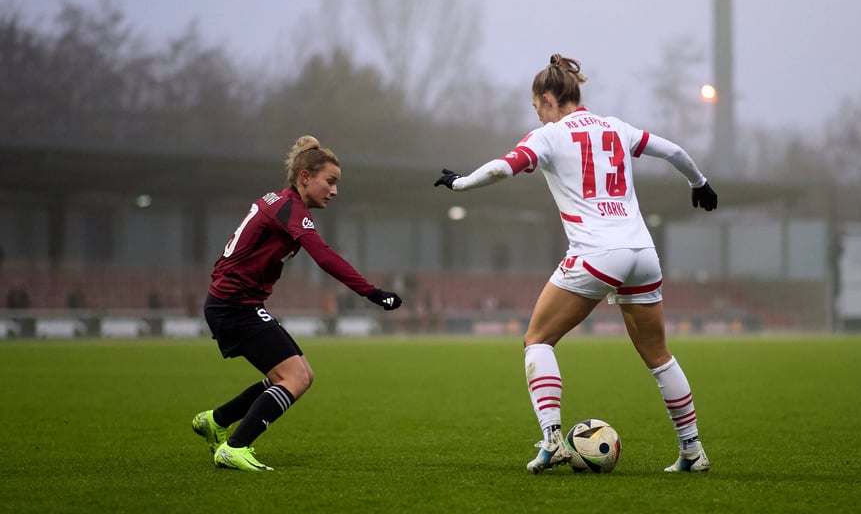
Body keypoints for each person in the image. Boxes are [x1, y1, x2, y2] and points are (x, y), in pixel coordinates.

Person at [434, 54, 718, 474]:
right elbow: (674, 150)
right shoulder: (616, 127)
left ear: (548, 98)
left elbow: (503, 168)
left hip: (598, 252)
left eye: (536, 106)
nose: (538, 114)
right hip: (642, 252)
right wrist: (700, 182)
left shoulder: (549, 136)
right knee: (659, 356)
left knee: (537, 340)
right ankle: (693, 451)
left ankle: (552, 439)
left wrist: (460, 182)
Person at [193, 135, 403, 471]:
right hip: (235, 305)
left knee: (297, 374)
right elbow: (324, 257)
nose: (334, 191)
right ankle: (235, 446)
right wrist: (373, 293)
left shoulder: (281, 202)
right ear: (305, 177)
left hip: (232, 301)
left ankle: (216, 420)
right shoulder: (290, 209)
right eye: (330, 182)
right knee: (296, 379)